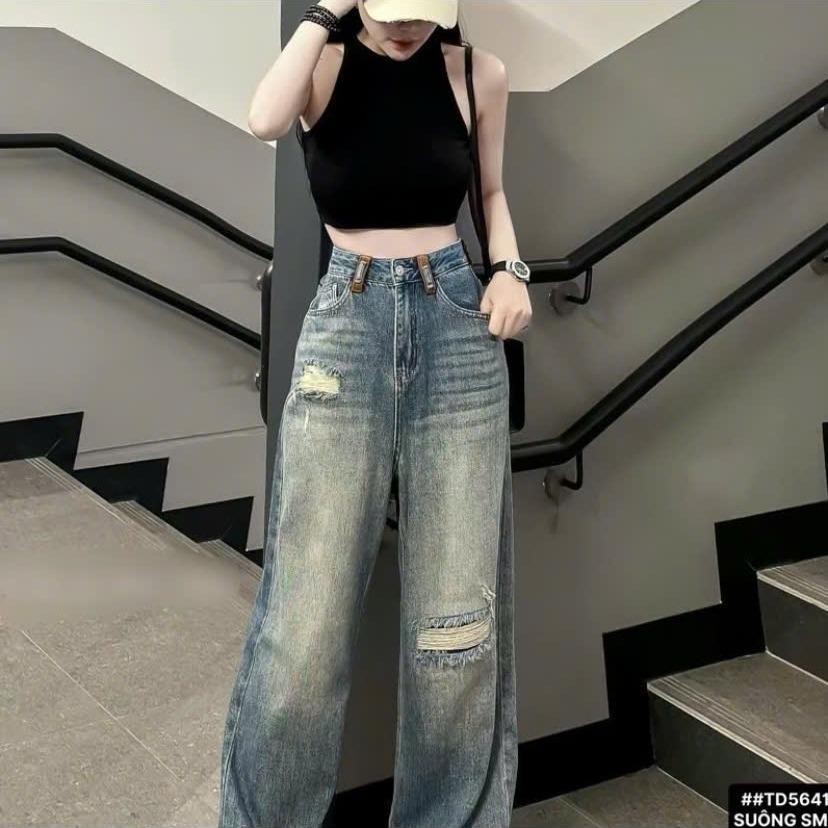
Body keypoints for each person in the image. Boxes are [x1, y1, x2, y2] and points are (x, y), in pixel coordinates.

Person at [218, 1, 531, 825]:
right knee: (303, 630)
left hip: (457, 325)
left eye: (422, 13)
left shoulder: (478, 74)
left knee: (457, 628)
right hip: (346, 326)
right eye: (392, 11)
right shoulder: (320, 68)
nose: (405, 27)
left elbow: (491, 191)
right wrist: (325, 15)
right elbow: (263, 119)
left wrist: (511, 269)